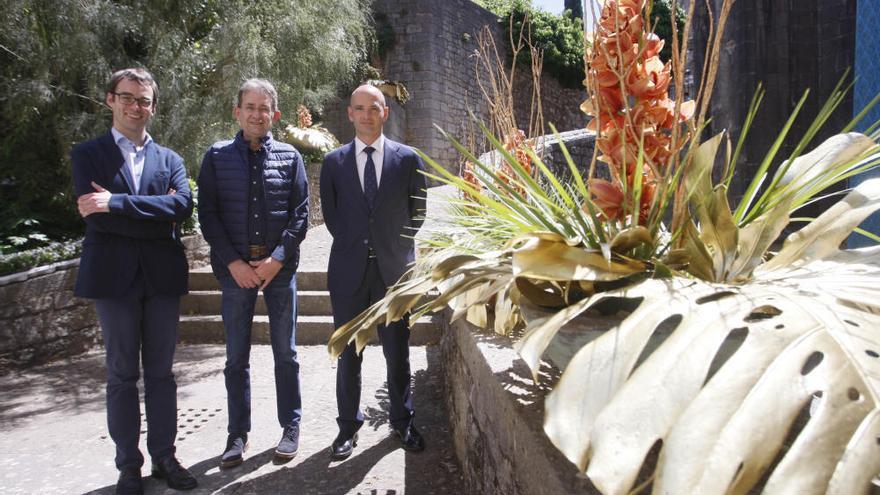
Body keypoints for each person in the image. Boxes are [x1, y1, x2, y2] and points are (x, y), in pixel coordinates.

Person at [72, 68, 197, 495]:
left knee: (161, 375)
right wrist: (150, 213)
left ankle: (164, 457)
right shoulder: (88, 155)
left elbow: (181, 207)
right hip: (114, 280)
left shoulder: (171, 160)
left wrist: (117, 203)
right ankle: (129, 466)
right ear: (110, 99)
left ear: (153, 107)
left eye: (143, 100)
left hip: (161, 279)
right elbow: (95, 218)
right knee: (122, 375)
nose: (135, 106)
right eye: (127, 97)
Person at [197, 78, 309, 469]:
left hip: (279, 271)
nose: (257, 114)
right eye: (250, 107)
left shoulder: (291, 157)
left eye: (265, 108)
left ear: (274, 114)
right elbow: (208, 215)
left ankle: (290, 426)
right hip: (235, 274)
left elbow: (300, 216)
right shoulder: (216, 157)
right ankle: (236, 434)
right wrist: (234, 263)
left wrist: (277, 259)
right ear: (237, 111)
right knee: (235, 358)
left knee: (287, 354)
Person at [320, 84, 428, 460]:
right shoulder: (333, 163)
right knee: (348, 353)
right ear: (350, 114)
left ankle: (403, 421)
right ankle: (347, 427)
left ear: (386, 112)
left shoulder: (408, 159)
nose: (366, 115)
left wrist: (393, 249)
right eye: (359, 108)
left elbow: (418, 213)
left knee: (397, 353)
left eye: (374, 108)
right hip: (348, 273)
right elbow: (333, 218)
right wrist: (360, 246)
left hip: (393, 273)